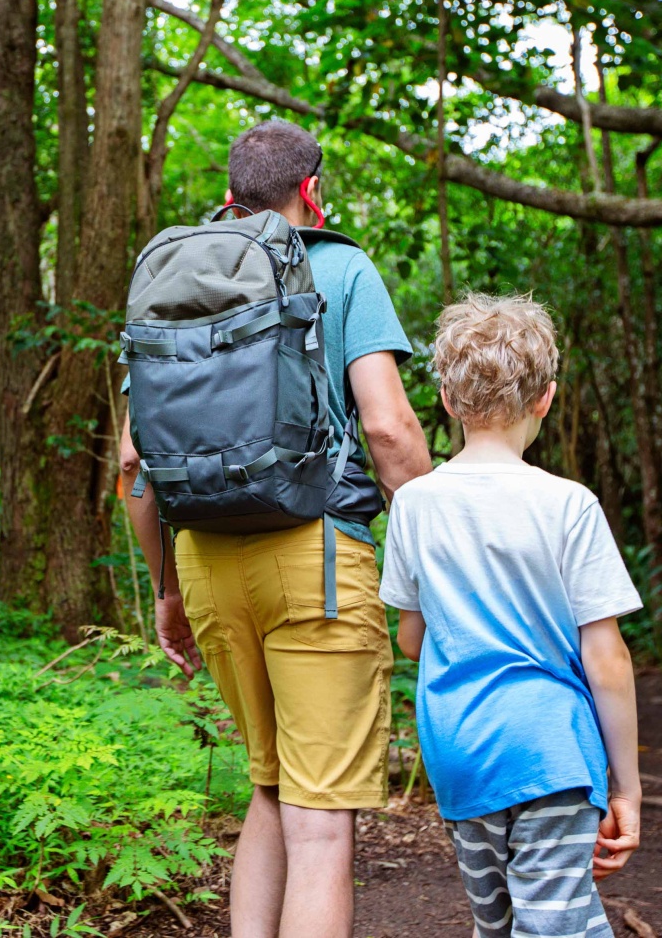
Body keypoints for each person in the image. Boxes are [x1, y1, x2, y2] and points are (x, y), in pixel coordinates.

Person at [119, 120, 432, 938]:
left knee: (268, 788)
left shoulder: (178, 284)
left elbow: (133, 465)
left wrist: (167, 589)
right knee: (321, 821)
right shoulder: (342, 267)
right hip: (318, 561)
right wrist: (442, 557)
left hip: (207, 564)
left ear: (230, 198)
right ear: (311, 191)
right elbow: (391, 433)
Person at [380, 293, 642, 938]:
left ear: (446, 400)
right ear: (545, 398)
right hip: (551, 749)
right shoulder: (569, 504)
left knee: (495, 922)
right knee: (555, 924)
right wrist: (627, 788)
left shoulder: (414, 504)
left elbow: (411, 639)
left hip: (460, 752)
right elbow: (606, 657)